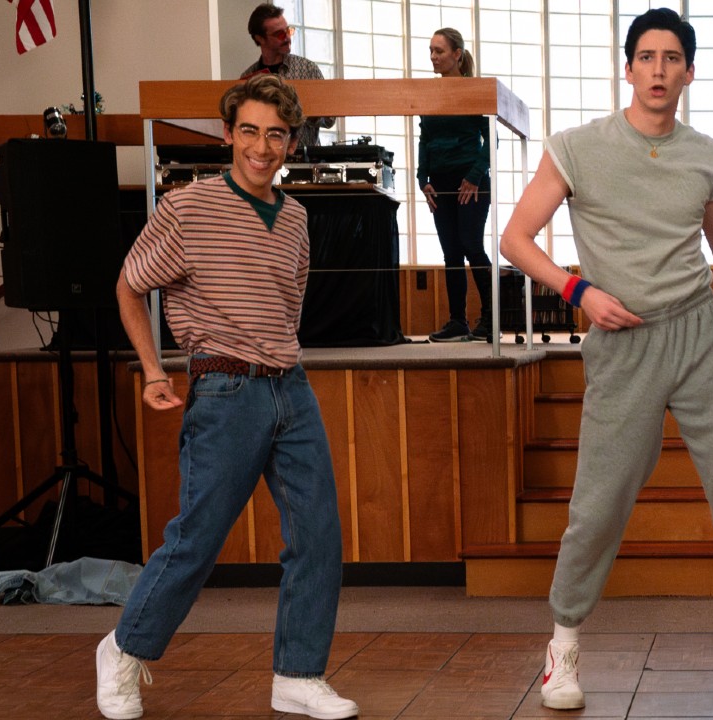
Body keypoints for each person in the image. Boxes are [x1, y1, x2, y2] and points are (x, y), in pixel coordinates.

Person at [500, 8, 713, 711]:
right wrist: (579, 290)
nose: (659, 69)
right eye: (647, 57)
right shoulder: (577, 147)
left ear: (689, 70)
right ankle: (562, 650)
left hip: (700, 333)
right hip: (621, 340)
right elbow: (515, 238)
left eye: (673, 58)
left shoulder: (705, 154)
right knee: (597, 503)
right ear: (628, 69)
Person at [94, 74, 357, 720]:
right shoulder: (187, 208)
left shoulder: (295, 217)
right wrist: (156, 371)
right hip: (225, 389)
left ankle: (298, 674)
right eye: (249, 132)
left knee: (318, 536)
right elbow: (130, 285)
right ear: (227, 135)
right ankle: (124, 649)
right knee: (197, 540)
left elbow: (287, 309)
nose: (261, 147)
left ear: (290, 143)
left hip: (290, 389)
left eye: (274, 134)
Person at [418, 28, 496, 342]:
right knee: (451, 252)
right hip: (440, 182)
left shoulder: (475, 90)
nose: (434, 57)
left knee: (471, 245)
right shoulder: (427, 93)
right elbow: (424, 139)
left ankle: (492, 318)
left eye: (440, 51)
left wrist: (475, 175)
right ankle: (457, 322)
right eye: (431, 51)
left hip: (471, 181)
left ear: (457, 55)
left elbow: (491, 140)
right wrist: (422, 179)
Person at [241, 3, 336, 150]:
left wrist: (309, 111)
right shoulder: (248, 78)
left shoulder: (307, 69)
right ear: (260, 38)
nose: (287, 38)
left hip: (305, 162)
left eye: (288, 31)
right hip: (262, 159)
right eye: (279, 34)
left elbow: (330, 120)